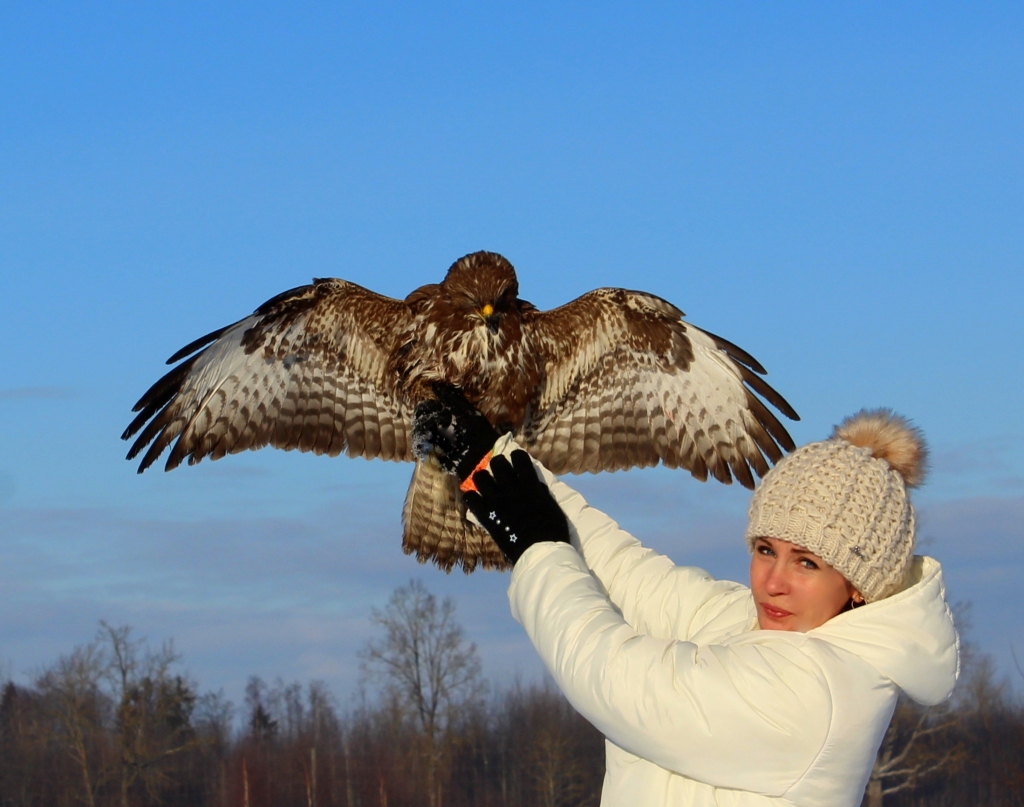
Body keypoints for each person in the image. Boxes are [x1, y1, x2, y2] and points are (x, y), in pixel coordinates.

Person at [413, 385, 960, 807]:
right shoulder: (752, 623)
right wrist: (495, 464)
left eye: (808, 563)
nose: (773, 581)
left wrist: (534, 544)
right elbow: (629, 576)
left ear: (858, 586)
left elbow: (618, 680)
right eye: (766, 548)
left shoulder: (818, 696)